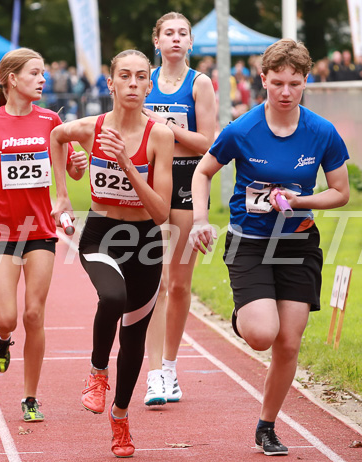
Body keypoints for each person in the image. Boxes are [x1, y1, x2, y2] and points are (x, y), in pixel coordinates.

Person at [190, 39, 350, 456]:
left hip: (298, 242)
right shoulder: (242, 129)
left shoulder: (321, 132)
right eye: (276, 82)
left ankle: (267, 425)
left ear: (305, 82)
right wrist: (200, 220)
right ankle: (245, 315)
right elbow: (203, 173)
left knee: (288, 344)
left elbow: (340, 192)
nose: (284, 92)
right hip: (250, 243)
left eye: (294, 84)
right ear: (262, 80)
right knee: (262, 335)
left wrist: (300, 200)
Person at [0, 48, 87, 423]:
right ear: (12, 79)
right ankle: (1, 338)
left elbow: (71, 174)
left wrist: (78, 164)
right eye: (35, 73)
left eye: (43, 73)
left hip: (41, 229)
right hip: (3, 231)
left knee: (33, 313)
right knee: (7, 318)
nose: (43, 79)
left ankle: (30, 397)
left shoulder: (51, 121)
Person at [51, 50, 173, 457]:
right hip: (102, 234)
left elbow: (160, 212)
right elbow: (55, 136)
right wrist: (62, 194)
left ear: (149, 85)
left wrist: (125, 160)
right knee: (113, 298)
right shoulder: (91, 127)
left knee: (135, 337)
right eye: (126, 76)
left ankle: (120, 416)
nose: (134, 83)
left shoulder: (160, 135)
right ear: (111, 83)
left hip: (146, 242)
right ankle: (97, 371)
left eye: (141, 77)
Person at [141, 12, 217, 407]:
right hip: (151, 182)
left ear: (190, 42)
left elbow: (207, 143)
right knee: (154, 282)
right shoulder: (143, 79)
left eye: (182, 33)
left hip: (188, 182)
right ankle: (154, 374)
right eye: (168, 33)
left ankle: (170, 366)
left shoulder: (199, 83)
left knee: (179, 282)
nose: (175, 39)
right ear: (157, 41)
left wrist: (163, 127)